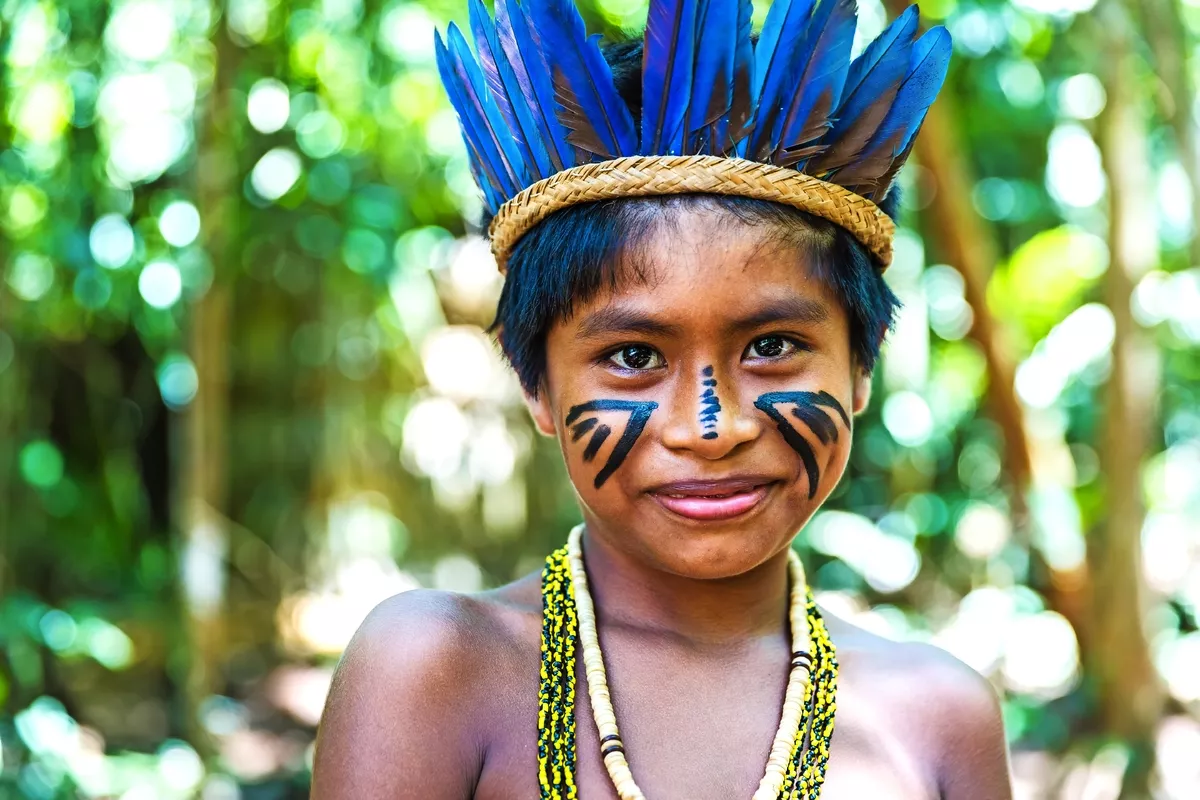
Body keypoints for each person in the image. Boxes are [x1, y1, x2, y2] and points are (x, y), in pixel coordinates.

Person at [311, 0, 1013, 797]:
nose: (710, 428)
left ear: (860, 368)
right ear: (537, 386)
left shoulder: (938, 720)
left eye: (772, 347)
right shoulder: (436, 670)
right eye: (634, 357)